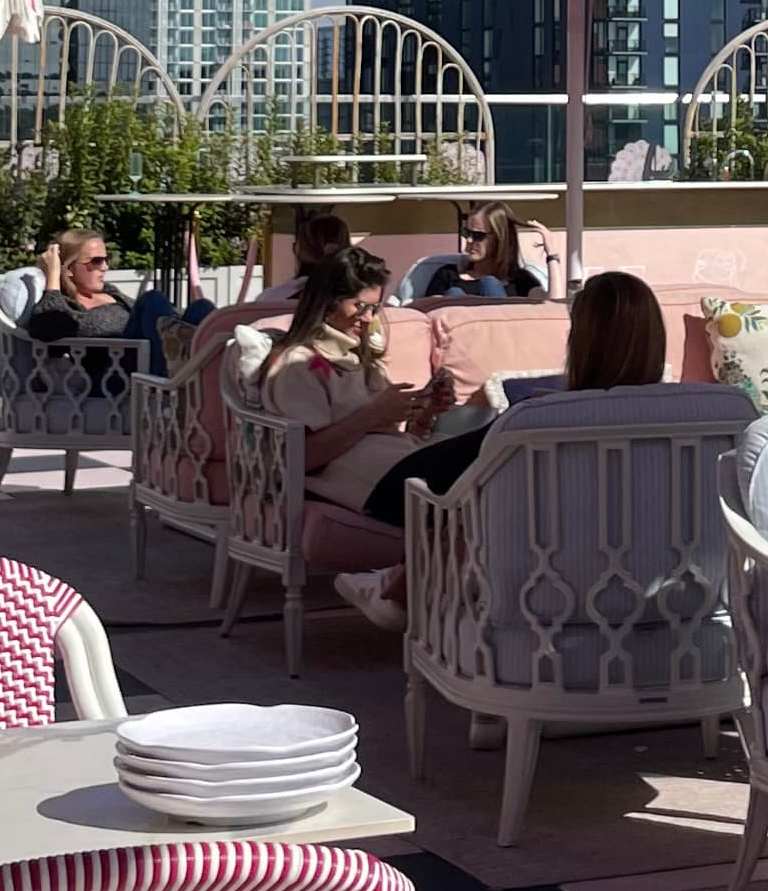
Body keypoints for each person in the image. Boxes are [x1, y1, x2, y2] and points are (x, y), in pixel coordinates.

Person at [334, 271, 674, 633]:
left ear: (583, 342)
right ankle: (397, 581)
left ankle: (399, 588)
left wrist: (535, 410)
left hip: (556, 579)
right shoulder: (700, 417)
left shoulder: (543, 421)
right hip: (666, 580)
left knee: (482, 488)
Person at [261, 247, 459, 524]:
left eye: (374, 308)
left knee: (495, 451)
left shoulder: (361, 360)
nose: (368, 318)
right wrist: (373, 414)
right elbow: (301, 458)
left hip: (402, 464)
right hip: (378, 482)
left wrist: (426, 411)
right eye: (359, 306)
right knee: (481, 456)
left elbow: (397, 436)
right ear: (329, 302)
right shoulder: (301, 364)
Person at [405, 205, 545, 308]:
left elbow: (552, 308)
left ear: (499, 239)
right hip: (459, 341)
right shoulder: (447, 275)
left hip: (498, 338)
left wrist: (553, 257)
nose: (469, 241)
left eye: (478, 236)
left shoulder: (521, 281)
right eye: (467, 233)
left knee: (489, 283)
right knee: (454, 293)